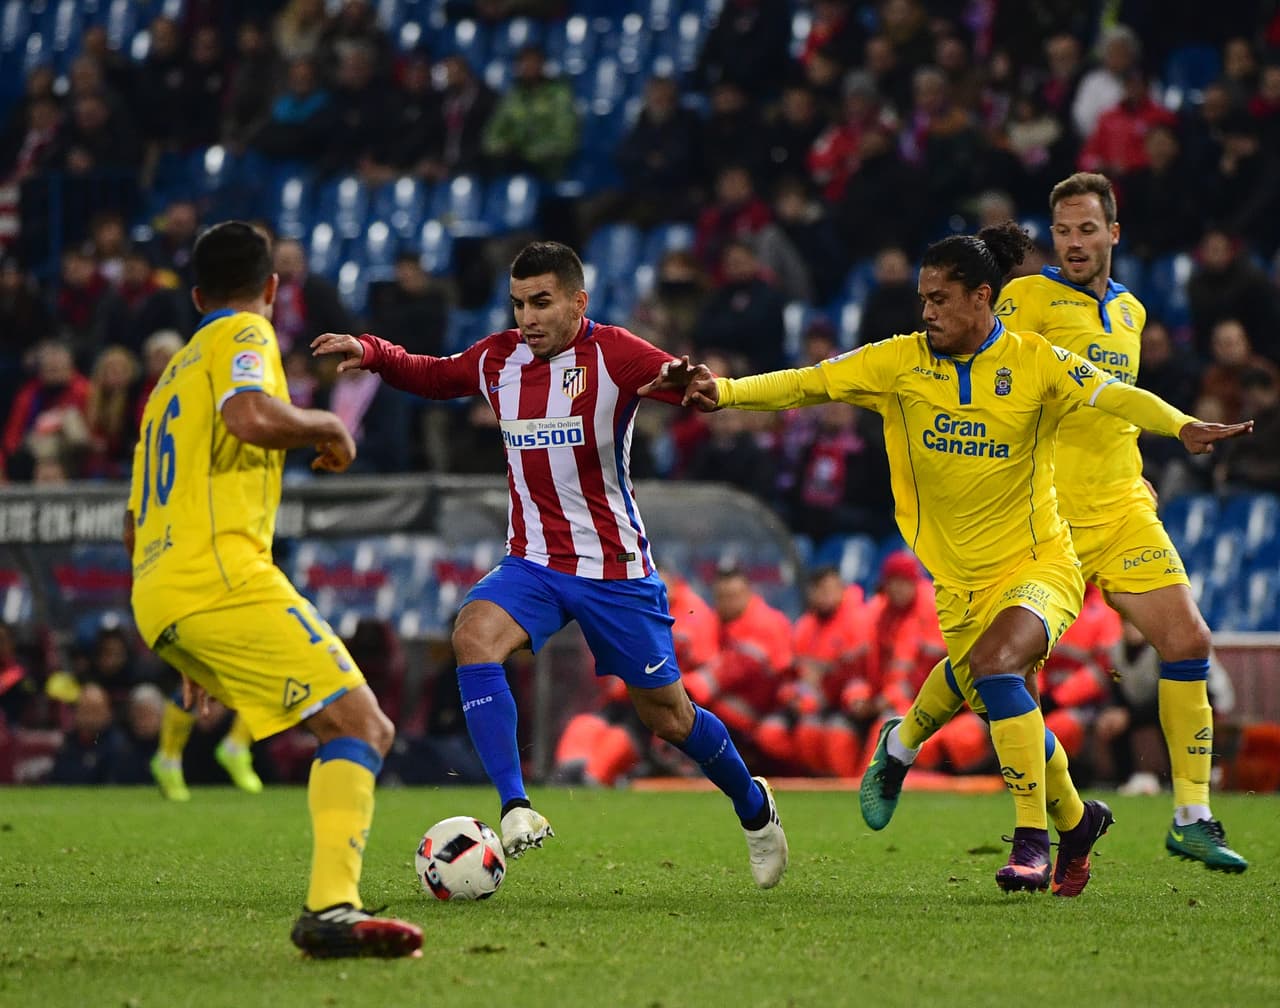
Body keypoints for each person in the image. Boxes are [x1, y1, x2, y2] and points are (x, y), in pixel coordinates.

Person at [648, 221, 1251, 894]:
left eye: (940, 298)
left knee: (997, 669)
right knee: (1006, 707)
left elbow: (1111, 394)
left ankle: (1030, 843)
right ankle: (1077, 824)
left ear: (980, 298)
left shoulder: (1034, 360)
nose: (927, 312)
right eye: (923, 299)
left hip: (1041, 563)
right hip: (959, 582)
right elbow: (809, 382)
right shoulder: (898, 362)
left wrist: (1181, 425)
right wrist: (725, 393)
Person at [311, 240, 788, 888]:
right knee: (473, 635)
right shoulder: (497, 360)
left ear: (576, 301)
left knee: (668, 718)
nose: (527, 318)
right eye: (517, 304)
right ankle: (514, 807)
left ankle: (755, 809)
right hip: (532, 561)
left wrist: (689, 382)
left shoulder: (614, 352)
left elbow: (682, 384)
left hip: (614, 570)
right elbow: (433, 374)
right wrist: (372, 351)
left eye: (541, 302)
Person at [856, 173, 1252, 876]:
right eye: (1063, 231)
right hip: (1045, 522)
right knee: (1000, 676)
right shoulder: (1024, 298)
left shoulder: (1129, 312)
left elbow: (1110, 400)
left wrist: (1141, 457)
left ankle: (1191, 816)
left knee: (1188, 637)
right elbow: (989, 365)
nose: (1074, 243)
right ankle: (907, 745)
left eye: (1087, 230)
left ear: (1113, 235)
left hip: (1123, 506)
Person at [125, 221, 421, 958]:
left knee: (343, 724)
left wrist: (189, 652)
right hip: (220, 575)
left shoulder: (167, 380)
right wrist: (327, 424)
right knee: (362, 726)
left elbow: (135, 523)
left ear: (195, 295)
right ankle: (331, 910)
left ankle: (333, 908)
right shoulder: (243, 336)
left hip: (162, 591)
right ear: (271, 289)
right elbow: (250, 416)